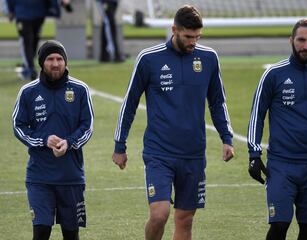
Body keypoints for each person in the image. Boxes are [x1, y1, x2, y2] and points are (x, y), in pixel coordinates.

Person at [112, 5, 234, 239]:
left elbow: (218, 102)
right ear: (174, 30)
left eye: (197, 37)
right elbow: (130, 103)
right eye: (188, 37)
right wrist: (120, 145)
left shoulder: (208, 58)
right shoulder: (149, 59)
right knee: (159, 214)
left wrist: (227, 139)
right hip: (160, 153)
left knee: (185, 220)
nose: (193, 42)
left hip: (194, 153)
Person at [247, 19, 307, 240]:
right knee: (280, 223)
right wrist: (254, 154)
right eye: (301, 40)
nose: (306, 46)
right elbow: (257, 114)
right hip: (282, 164)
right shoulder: (273, 74)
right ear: (291, 40)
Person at [12, 40, 94, 240]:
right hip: (40, 178)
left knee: (71, 235)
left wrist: (70, 142)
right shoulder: (28, 92)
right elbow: (18, 126)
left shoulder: (80, 89)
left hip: (71, 177)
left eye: (59, 59)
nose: (55, 64)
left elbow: (87, 126)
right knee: (40, 233)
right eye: (50, 59)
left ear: (65, 62)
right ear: (42, 62)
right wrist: (43, 140)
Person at [6, 0, 72, 81]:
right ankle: (30, 67)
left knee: (31, 41)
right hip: (31, 12)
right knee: (29, 41)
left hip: (32, 12)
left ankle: (29, 66)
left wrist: (10, 10)